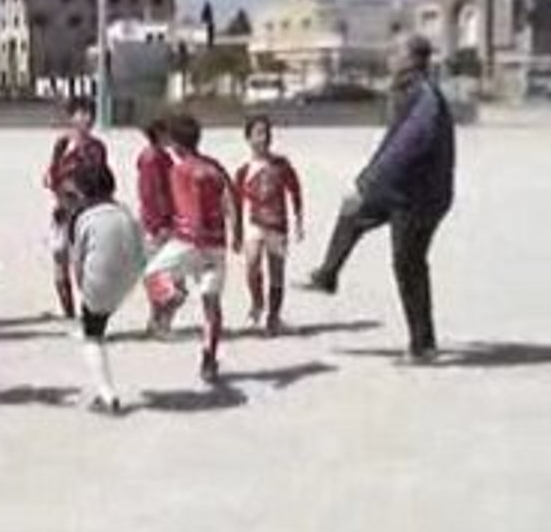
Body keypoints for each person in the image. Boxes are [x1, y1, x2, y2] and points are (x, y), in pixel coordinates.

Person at [299, 35, 456, 364]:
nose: (389, 57)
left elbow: (407, 146)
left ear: (411, 59)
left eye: (395, 52)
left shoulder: (425, 96)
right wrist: (366, 179)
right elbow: (391, 143)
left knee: (408, 264)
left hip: (420, 198)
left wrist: (369, 181)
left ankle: (423, 345)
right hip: (400, 189)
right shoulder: (405, 92)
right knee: (352, 208)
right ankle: (327, 274)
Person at [143, 113, 240, 383]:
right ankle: (209, 358)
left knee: (152, 275)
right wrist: (237, 233)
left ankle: (173, 297)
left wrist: (196, 236)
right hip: (217, 243)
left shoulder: (180, 171)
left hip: (190, 241)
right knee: (211, 303)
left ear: (175, 143)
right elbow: (230, 199)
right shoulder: (214, 167)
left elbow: (190, 206)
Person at [69, 163, 145, 415]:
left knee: (93, 335)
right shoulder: (126, 213)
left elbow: (78, 260)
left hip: (99, 283)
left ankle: (107, 395)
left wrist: (83, 289)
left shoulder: (83, 218)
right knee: (104, 310)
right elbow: (140, 248)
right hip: (129, 278)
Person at [234, 114, 304, 336]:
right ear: (248, 138)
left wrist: (299, 220)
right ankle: (257, 304)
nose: (263, 138)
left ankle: (274, 318)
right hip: (254, 224)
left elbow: (295, 190)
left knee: (277, 272)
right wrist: (236, 233)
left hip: (277, 224)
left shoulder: (281, 165)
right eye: (258, 133)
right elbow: (236, 204)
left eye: (266, 133)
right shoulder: (244, 171)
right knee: (252, 265)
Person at [44, 97, 111, 319]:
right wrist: (59, 193)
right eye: (81, 113)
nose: (87, 119)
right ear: (71, 117)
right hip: (63, 209)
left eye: (90, 114)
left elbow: (102, 179)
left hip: (87, 210)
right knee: (59, 256)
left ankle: (90, 308)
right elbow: (52, 174)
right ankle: (68, 310)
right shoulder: (62, 144)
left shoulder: (97, 147)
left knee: (84, 261)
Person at [136, 116, 175, 329]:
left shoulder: (155, 156)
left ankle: (157, 318)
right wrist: (161, 223)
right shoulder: (154, 159)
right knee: (162, 274)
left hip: (154, 221)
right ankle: (158, 320)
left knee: (158, 273)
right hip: (158, 223)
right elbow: (155, 194)